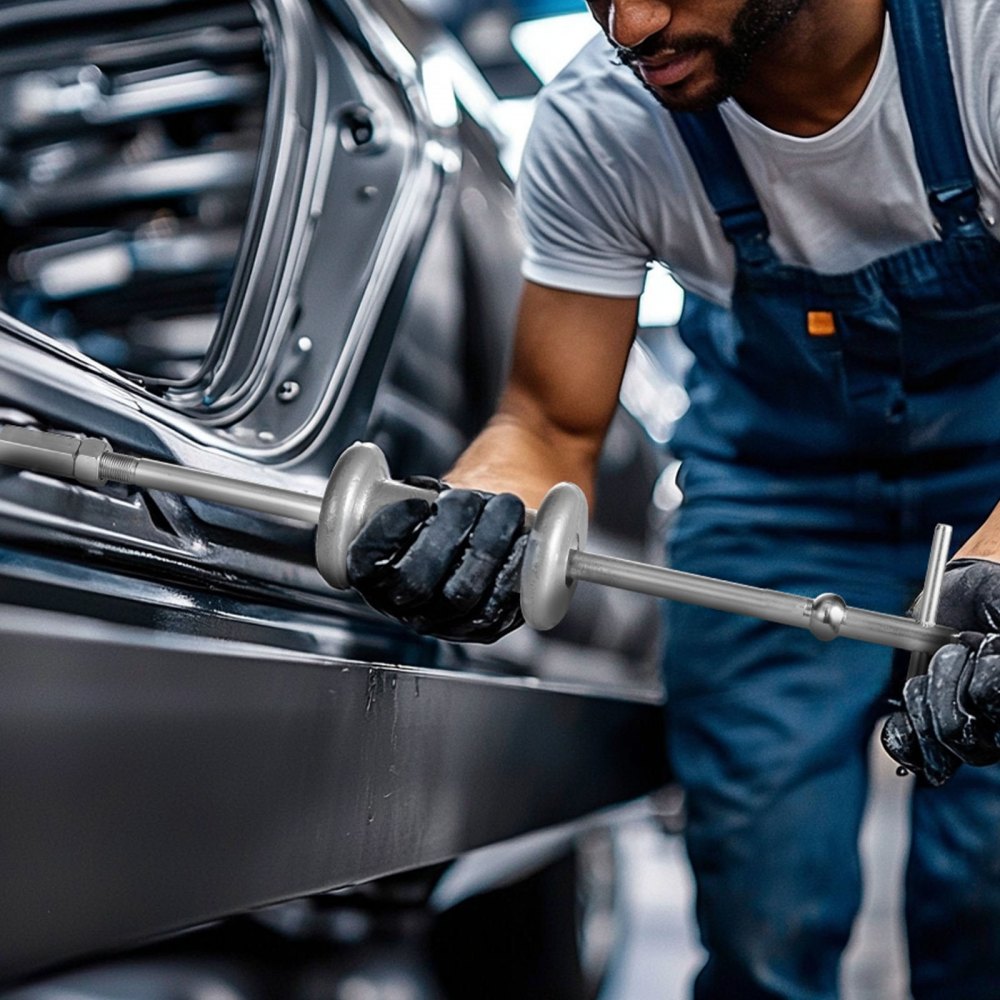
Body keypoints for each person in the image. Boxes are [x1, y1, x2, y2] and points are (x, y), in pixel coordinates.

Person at [346, 0, 1000, 996]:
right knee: (761, 914)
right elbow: (547, 425)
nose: (628, 23)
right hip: (773, 497)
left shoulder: (981, 47)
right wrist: (484, 502)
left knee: (987, 892)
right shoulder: (605, 123)